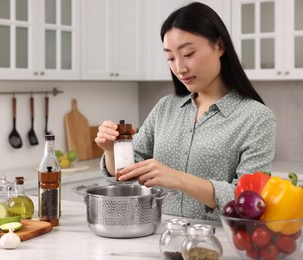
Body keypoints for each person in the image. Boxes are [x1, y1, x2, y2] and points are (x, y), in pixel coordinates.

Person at [94, 2, 276, 221]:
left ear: (219, 46)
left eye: (188, 54)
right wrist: (112, 151)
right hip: (159, 236)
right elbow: (124, 177)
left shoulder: (256, 118)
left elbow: (251, 201)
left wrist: (178, 179)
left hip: (217, 243)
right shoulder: (165, 108)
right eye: (170, 58)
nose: (179, 68)